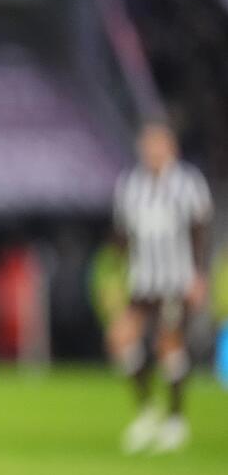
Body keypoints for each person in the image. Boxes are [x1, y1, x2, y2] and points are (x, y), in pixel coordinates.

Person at [110, 122, 213, 454]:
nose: (152, 151)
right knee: (121, 338)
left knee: (168, 345)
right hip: (142, 280)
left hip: (176, 280)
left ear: (171, 147)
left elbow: (200, 230)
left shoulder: (187, 184)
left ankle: (175, 419)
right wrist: (117, 274)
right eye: (148, 144)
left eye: (158, 144)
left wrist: (200, 275)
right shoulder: (132, 185)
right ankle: (147, 411)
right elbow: (123, 236)